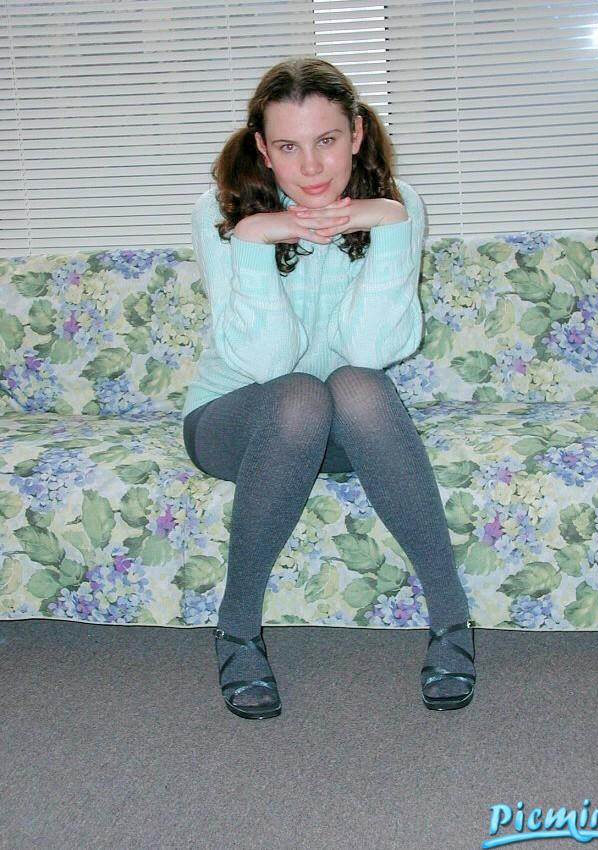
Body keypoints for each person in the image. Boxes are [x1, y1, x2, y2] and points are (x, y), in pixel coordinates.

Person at [182, 55, 476, 720]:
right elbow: (267, 361)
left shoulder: (397, 205)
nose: (311, 168)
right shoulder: (221, 210)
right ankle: (237, 628)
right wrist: (255, 237)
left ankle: (451, 617)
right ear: (262, 148)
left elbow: (372, 352)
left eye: (327, 141)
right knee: (299, 395)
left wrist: (387, 223)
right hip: (236, 419)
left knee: (356, 385)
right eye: (288, 147)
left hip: (346, 425)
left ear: (357, 134)